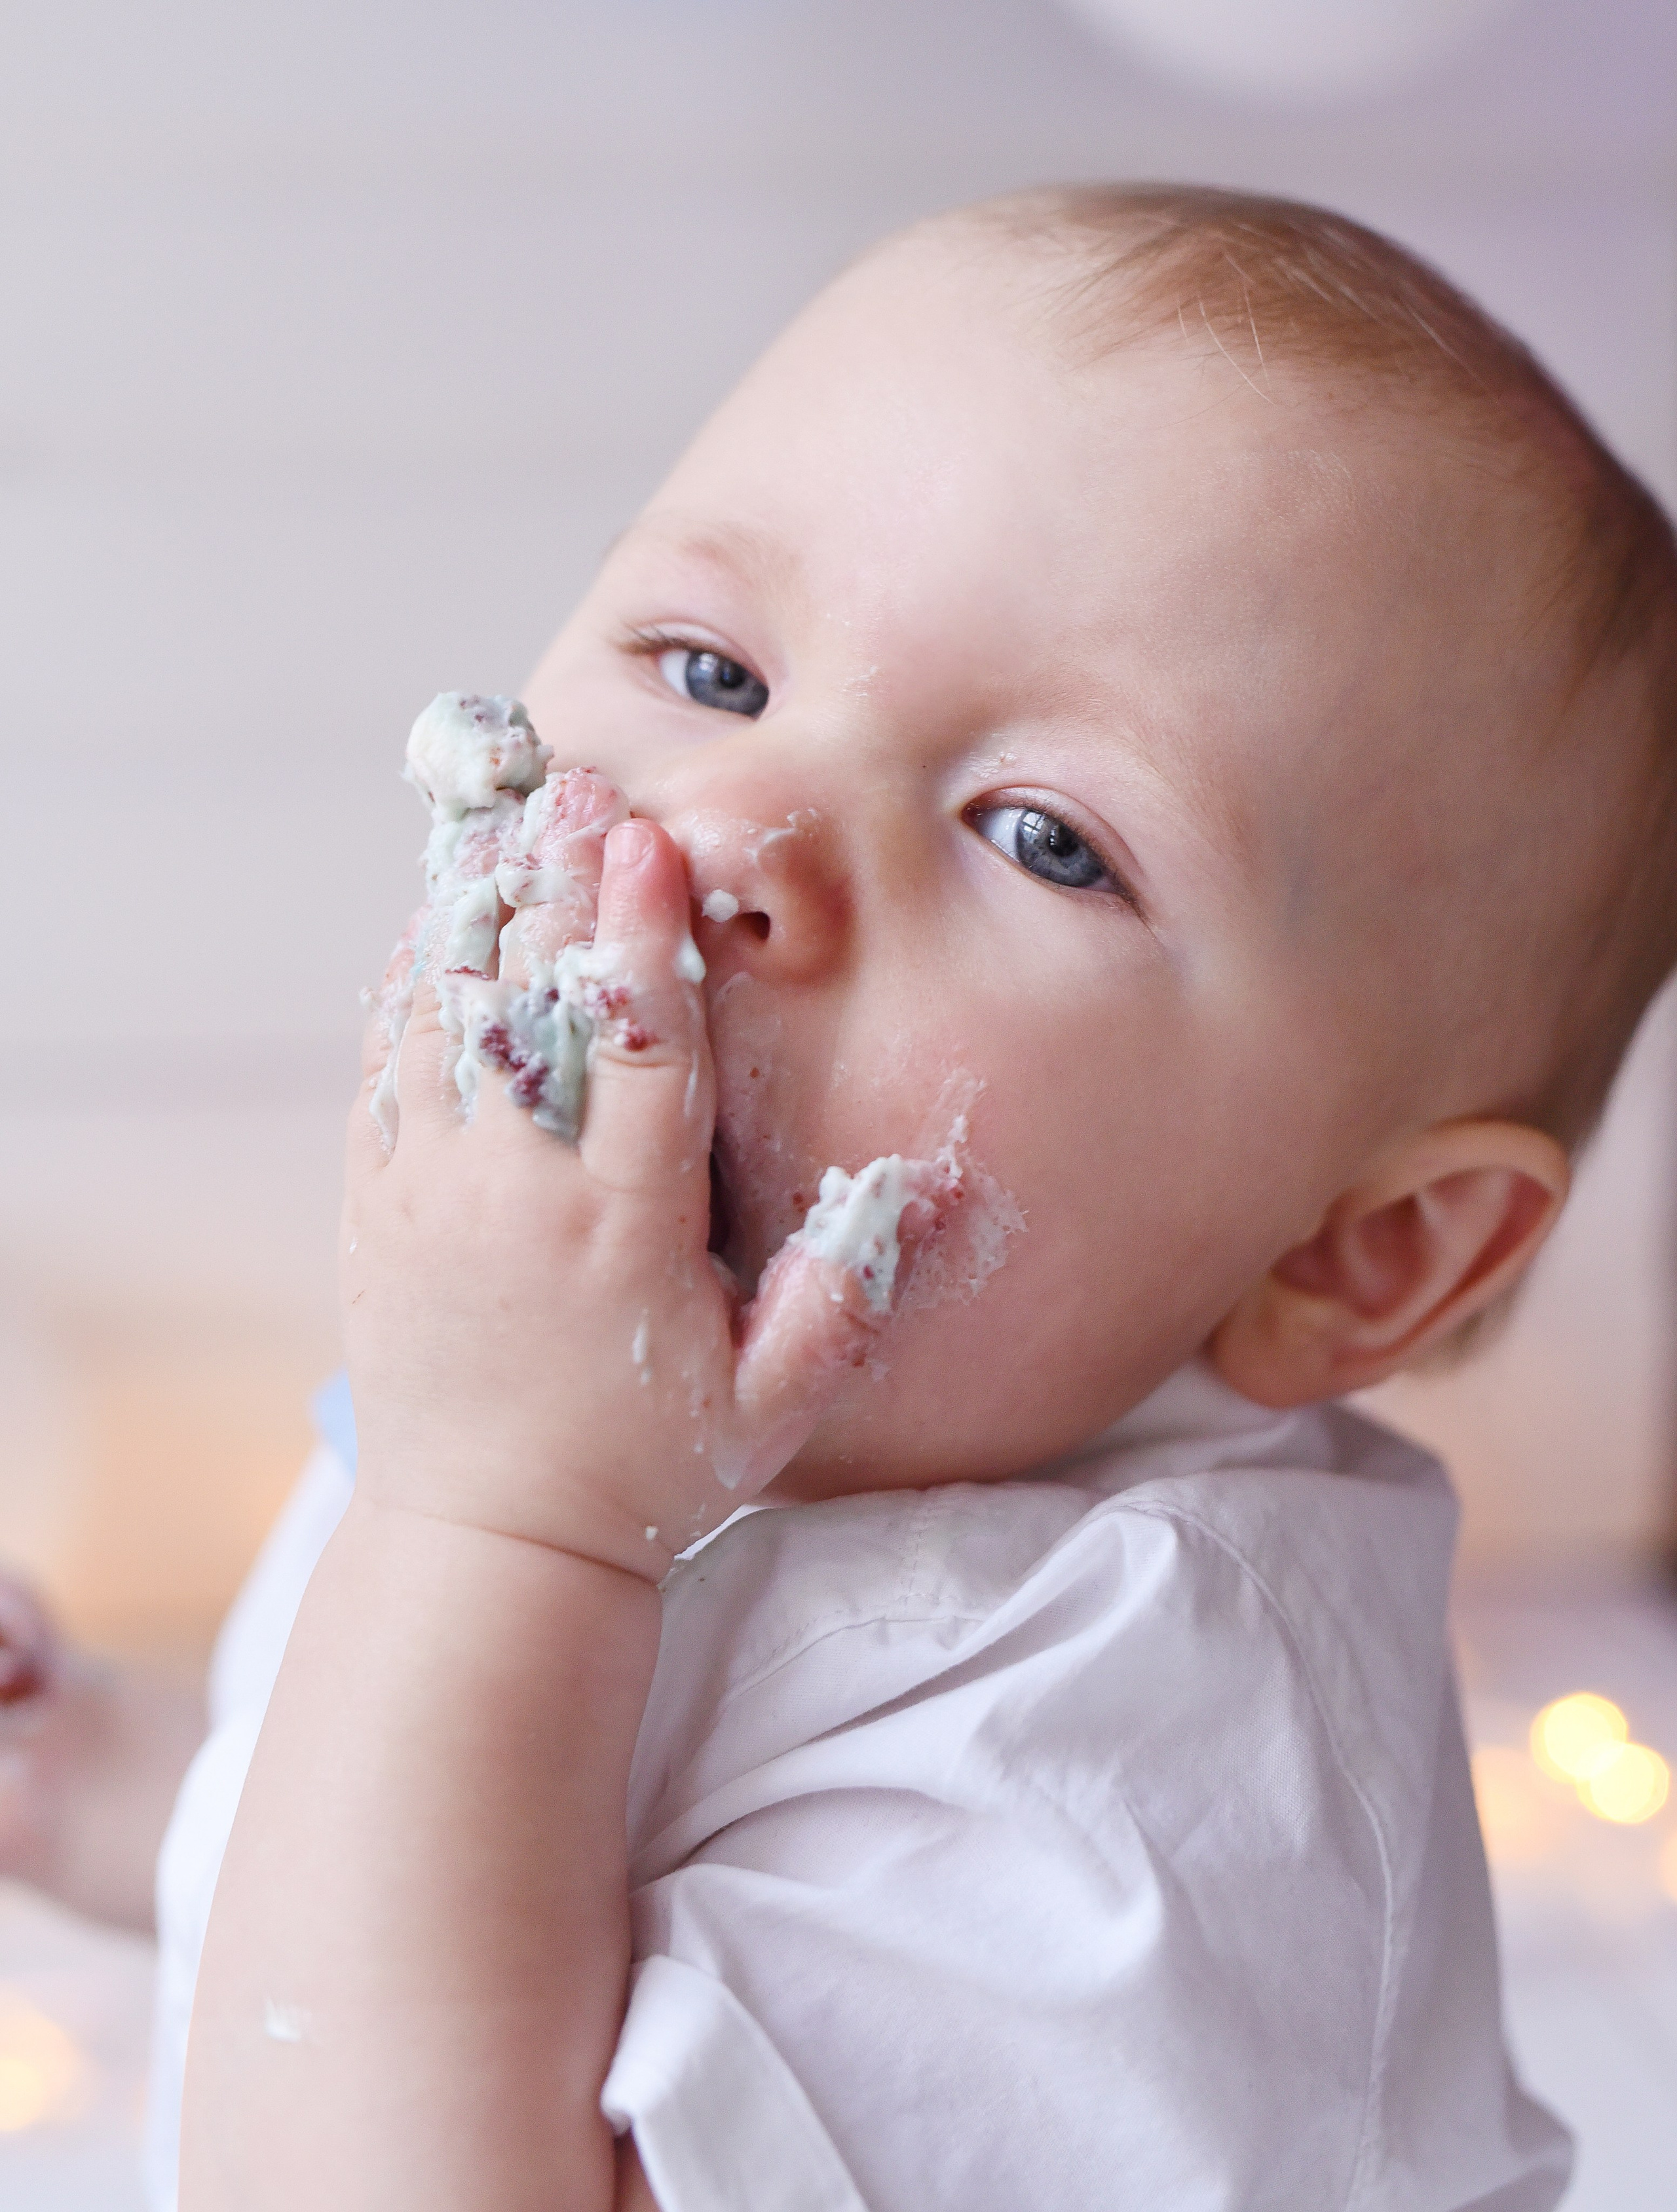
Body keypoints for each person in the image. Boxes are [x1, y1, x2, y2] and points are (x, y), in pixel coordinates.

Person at [10, 184, 1677, 2209]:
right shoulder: (630, 1389)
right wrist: (111, 1784)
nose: (739, 831)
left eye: (1043, 837)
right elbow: (489, 1887)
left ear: (1358, 1244)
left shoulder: (1106, 1815)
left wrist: (492, 1522)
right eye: (713, 670)